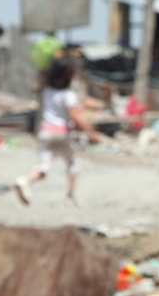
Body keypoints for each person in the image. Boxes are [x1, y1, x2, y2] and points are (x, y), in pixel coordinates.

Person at [15, 56, 99, 206]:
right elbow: (74, 116)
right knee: (73, 163)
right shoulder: (68, 95)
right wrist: (91, 131)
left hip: (45, 132)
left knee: (44, 166)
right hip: (62, 133)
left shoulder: (47, 91)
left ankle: (25, 181)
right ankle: (70, 195)